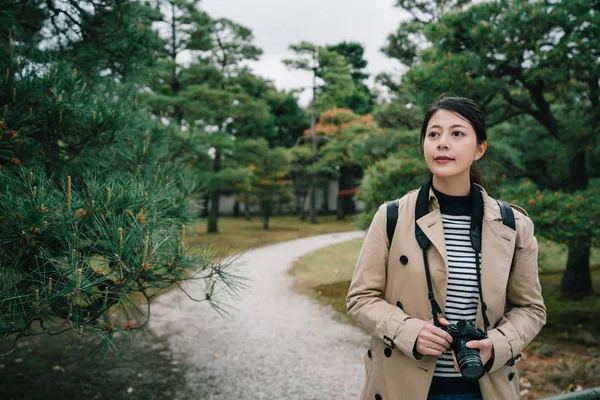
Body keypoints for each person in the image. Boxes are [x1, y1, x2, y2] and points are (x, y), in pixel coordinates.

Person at [346, 96, 546, 400]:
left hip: (483, 387)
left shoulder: (513, 225)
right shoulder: (392, 216)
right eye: (434, 134)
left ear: (480, 148)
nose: (442, 143)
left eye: (457, 133)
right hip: (402, 387)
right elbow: (360, 298)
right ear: (424, 144)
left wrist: (498, 344)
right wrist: (409, 332)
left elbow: (531, 309)